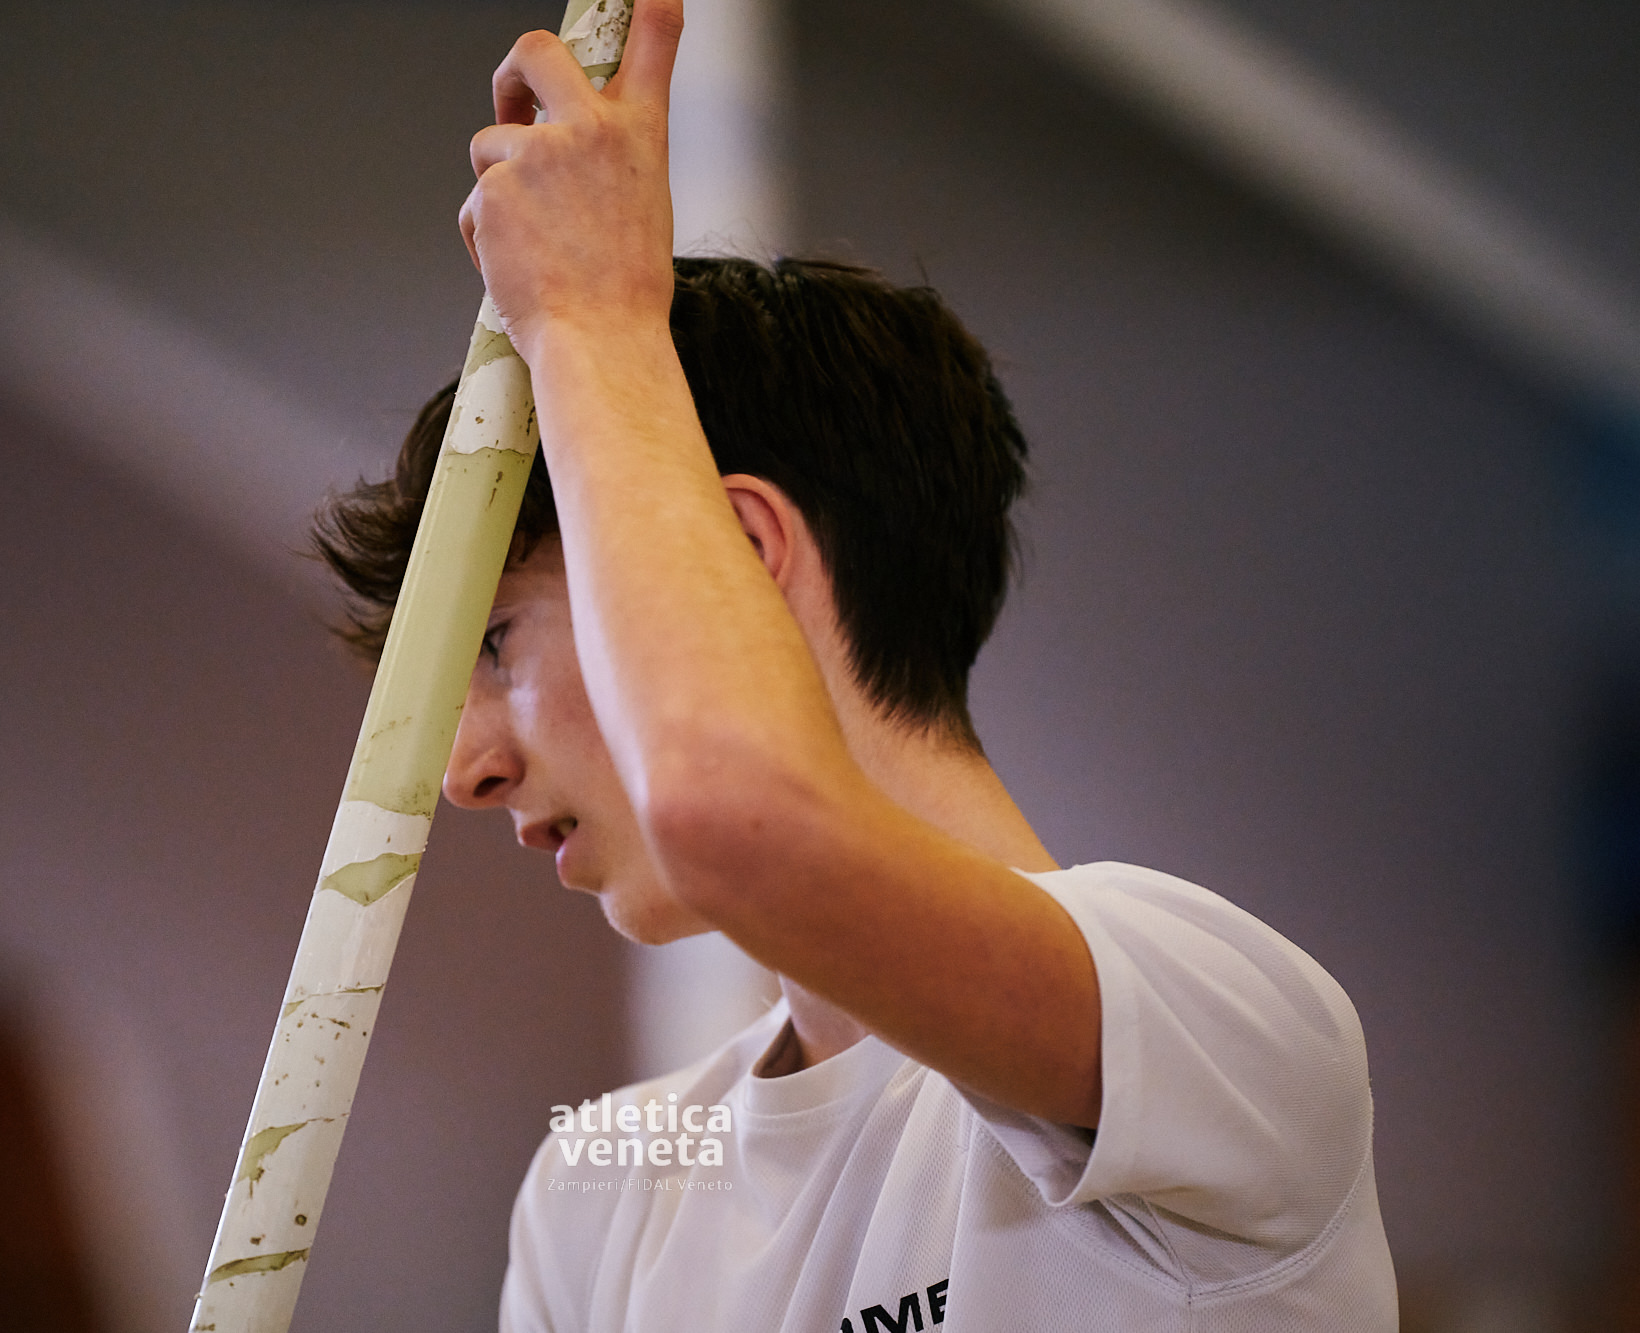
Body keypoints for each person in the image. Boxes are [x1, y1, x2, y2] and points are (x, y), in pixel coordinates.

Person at [312, 0, 1397, 1326]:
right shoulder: (598, 1192)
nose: (463, 767)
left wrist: (593, 320)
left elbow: (738, 822)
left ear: (743, 553)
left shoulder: (1220, 1021)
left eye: (495, 642)